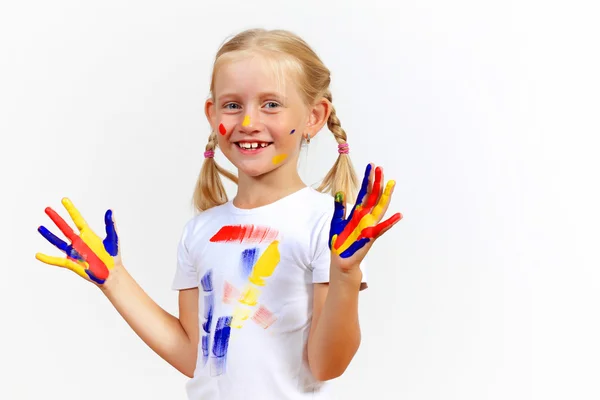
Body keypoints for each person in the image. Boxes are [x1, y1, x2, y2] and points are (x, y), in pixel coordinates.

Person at [35, 28, 403, 400]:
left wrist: (346, 274)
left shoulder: (329, 227)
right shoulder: (200, 231)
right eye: (232, 105)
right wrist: (114, 279)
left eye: (271, 104)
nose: (247, 122)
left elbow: (328, 365)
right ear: (212, 114)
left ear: (314, 116)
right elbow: (194, 356)